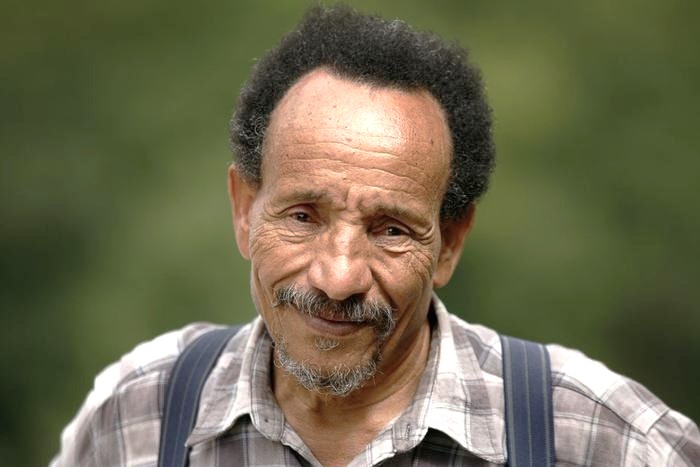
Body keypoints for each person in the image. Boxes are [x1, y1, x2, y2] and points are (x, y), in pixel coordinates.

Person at [52, 5, 699, 466]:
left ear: (449, 242)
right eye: (303, 216)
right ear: (244, 209)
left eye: (390, 229)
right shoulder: (141, 411)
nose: (338, 277)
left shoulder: (594, 433)